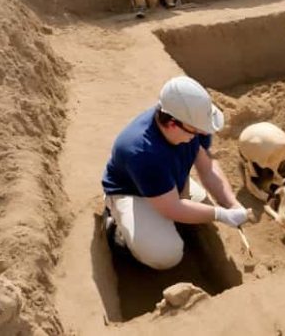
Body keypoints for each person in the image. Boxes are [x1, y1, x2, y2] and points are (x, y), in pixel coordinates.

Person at [101, 76, 249, 270]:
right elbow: (172, 208)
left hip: (168, 180)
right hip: (133, 192)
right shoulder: (142, 151)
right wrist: (220, 214)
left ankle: (168, 223)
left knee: (202, 207)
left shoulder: (189, 120)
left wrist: (231, 204)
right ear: (172, 123)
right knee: (166, 254)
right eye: (196, 131)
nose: (203, 135)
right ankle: (116, 227)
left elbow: (207, 167)